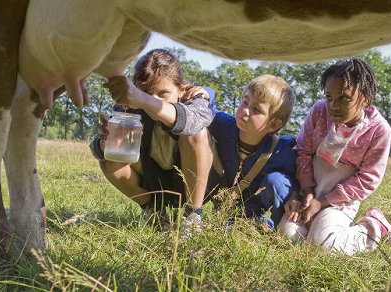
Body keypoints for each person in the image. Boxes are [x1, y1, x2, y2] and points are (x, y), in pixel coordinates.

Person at [278, 58, 391, 255]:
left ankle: (375, 227)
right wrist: (308, 192)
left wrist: (322, 202)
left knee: (325, 245)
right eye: (329, 97)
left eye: (344, 98)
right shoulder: (319, 112)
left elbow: (367, 180)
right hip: (309, 192)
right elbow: (303, 151)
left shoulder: (378, 130)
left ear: (365, 98)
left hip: (340, 202)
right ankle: (315, 226)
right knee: (287, 233)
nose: (333, 105)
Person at [89, 49, 215, 227]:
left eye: (163, 93)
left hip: (194, 183)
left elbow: (194, 122)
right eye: (146, 92)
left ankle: (193, 217)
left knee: (196, 133)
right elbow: (96, 148)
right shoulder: (130, 106)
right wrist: (104, 143)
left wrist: (143, 100)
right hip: (153, 180)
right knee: (108, 159)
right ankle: (154, 212)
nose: (154, 99)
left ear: (181, 89)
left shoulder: (194, 98)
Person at [208, 74, 297, 229]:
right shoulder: (224, 125)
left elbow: (294, 180)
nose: (245, 111)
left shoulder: (280, 150)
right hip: (222, 200)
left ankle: (278, 228)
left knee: (277, 180)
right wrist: (205, 92)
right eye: (245, 102)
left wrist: (295, 195)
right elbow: (206, 107)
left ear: (274, 124)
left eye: (256, 109)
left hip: (254, 207)